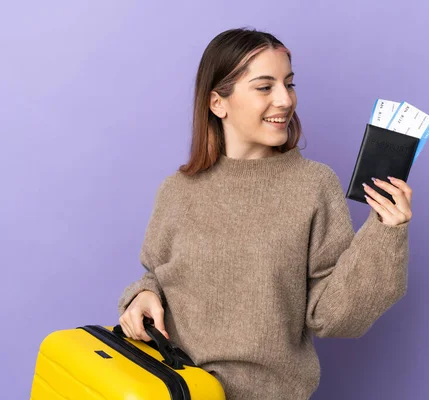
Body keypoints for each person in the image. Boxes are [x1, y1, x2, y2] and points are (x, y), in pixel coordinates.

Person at [117, 27, 413, 400]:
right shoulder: (178, 188)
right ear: (217, 103)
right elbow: (157, 276)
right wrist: (141, 294)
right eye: (264, 87)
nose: (285, 100)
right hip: (174, 389)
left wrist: (385, 234)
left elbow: (332, 316)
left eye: (289, 84)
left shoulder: (313, 185)